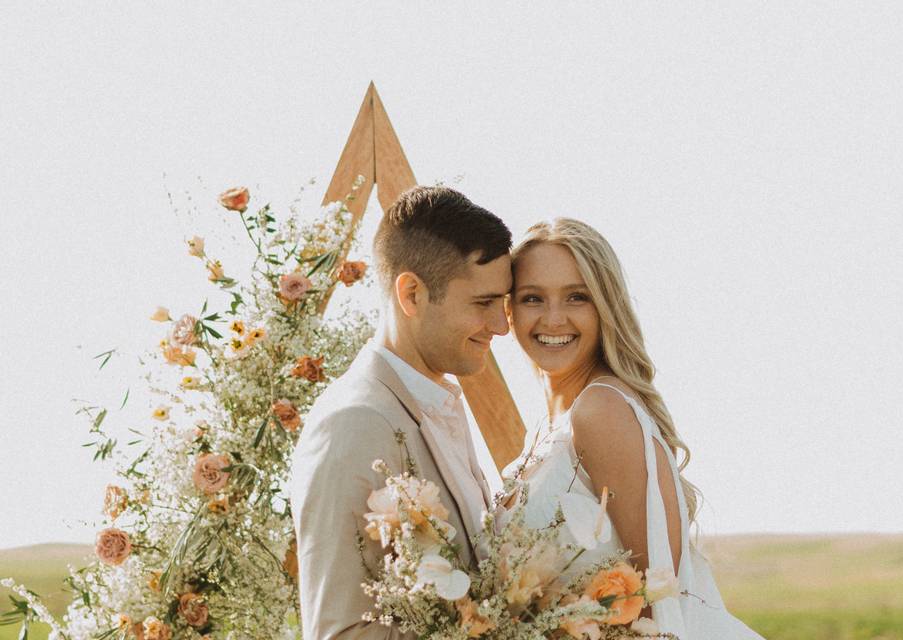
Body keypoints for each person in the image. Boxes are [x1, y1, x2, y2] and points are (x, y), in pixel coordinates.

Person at [504, 218, 763, 639]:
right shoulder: (554, 420)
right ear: (509, 310)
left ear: (606, 306)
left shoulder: (600, 408)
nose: (553, 319)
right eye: (533, 298)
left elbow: (660, 597)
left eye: (577, 297)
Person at [290, 186, 513, 640]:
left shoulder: (437, 405)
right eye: (483, 303)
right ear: (411, 293)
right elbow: (341, 632)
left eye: (503, 303)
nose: (502, 325)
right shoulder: (351, 425)